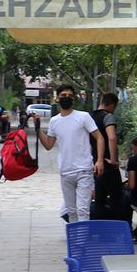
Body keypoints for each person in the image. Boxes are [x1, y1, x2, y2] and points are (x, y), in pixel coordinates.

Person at [35, 84, 105, 223]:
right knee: (71, 211)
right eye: (63, 96)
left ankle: (82, 243)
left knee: (83, 210)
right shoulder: (54, 121)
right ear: (57, 98)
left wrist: (100, 161)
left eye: (70, 96)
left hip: (84, 170)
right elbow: (49, 145)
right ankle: (76, 241)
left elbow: (100, 137)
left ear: (74, 99)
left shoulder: (83, 117)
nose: (66, 98)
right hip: (65, 171)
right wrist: (37, 128)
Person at [91, 92, 125, 219]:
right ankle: (119, 230)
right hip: (108, 166)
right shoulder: (108, 116)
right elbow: (111, 137)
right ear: (111, 105)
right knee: (117, 199)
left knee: (99, 200)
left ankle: (100, 229)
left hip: (96, 164)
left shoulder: (90, 117)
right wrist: (114, 159)